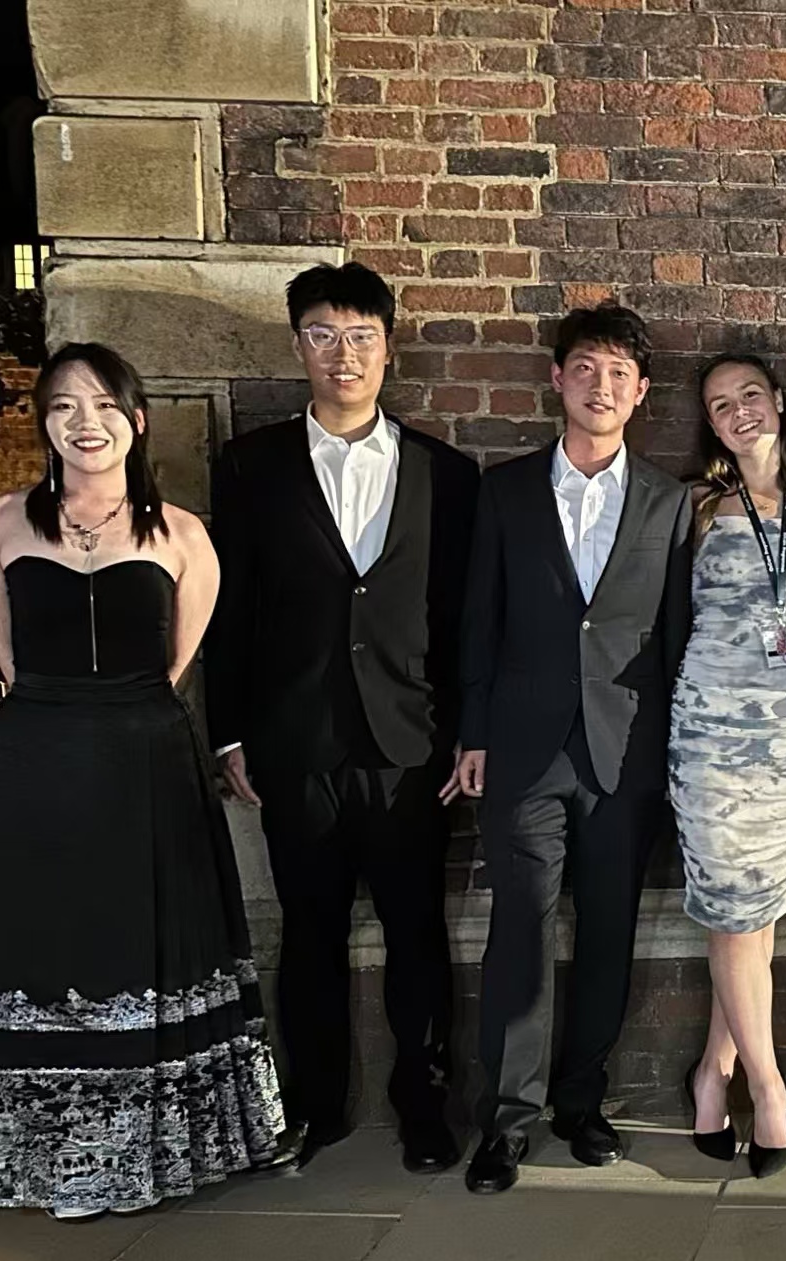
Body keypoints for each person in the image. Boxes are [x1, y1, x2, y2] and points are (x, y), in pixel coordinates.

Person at [0, 344, 286, 1219]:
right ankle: (47, 1161)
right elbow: (4, 658)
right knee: (46, 946)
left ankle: (141, 1156)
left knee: (141, 946)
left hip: (146, 764)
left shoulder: (183, 535)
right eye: (63, 407)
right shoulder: (4, 523)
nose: (84, 423)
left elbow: (176, 662)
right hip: (33, 762)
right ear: (44, 424)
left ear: (137, 419)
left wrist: (114, 714)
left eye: (102, 405)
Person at [206, 262, 477, 1173]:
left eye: (361, 336)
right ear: (299, 347)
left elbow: (461, 618)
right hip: (295, 745)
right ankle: (315, 1109)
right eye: (323, 335)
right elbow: (230, 610)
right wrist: (230, 731)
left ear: (388, 348)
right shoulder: (250, 466)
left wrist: (467, 729)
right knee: (310, 932)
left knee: (417, 933)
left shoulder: (445, 472)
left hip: (410, 748)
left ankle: (424, 1106)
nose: (343, 353)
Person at [447, 303, 693, 1194]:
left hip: (625, 754)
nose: (601, 385)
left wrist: (675, 752)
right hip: (524, 749)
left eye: (619, 373)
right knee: (520, 930)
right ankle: (507, 1120)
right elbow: (479, 621)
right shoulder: (506, 490)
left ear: (642, 391)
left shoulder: (669, 500)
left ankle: (582, 1102)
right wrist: (474, 732)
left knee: (609, 930)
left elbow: (677, 635)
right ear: (557, 379)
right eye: (585, 367)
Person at [673, 354, 786, 1179]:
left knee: (755, 921)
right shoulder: (694, 507)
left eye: (749, 396)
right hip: (710, 737)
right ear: (709, 424)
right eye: (719, 405)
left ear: (778, 401)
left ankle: (714, 1071)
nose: (738, 412)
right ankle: (770, 1093)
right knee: (735, 917)